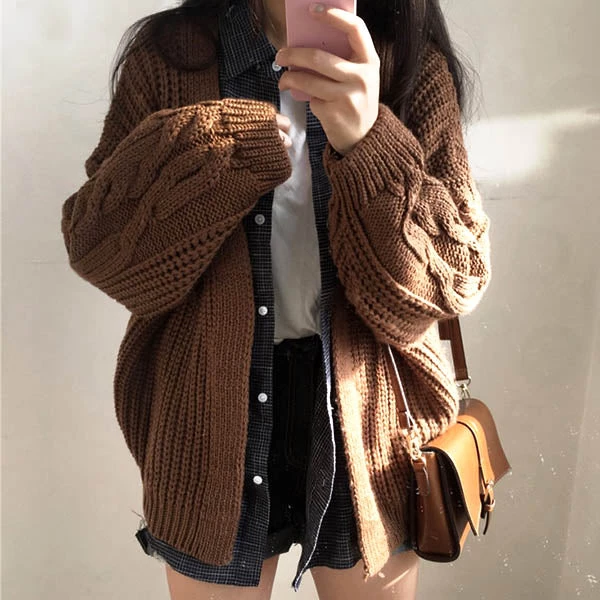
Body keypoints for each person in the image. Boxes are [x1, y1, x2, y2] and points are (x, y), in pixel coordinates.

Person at [60, 0, 491, 599]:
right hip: (206, 418)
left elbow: (451, 282)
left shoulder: (407, 60)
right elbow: (101, 249)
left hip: (371, 422)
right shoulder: (172, 55)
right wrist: (224, 146)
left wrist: (368, 141)